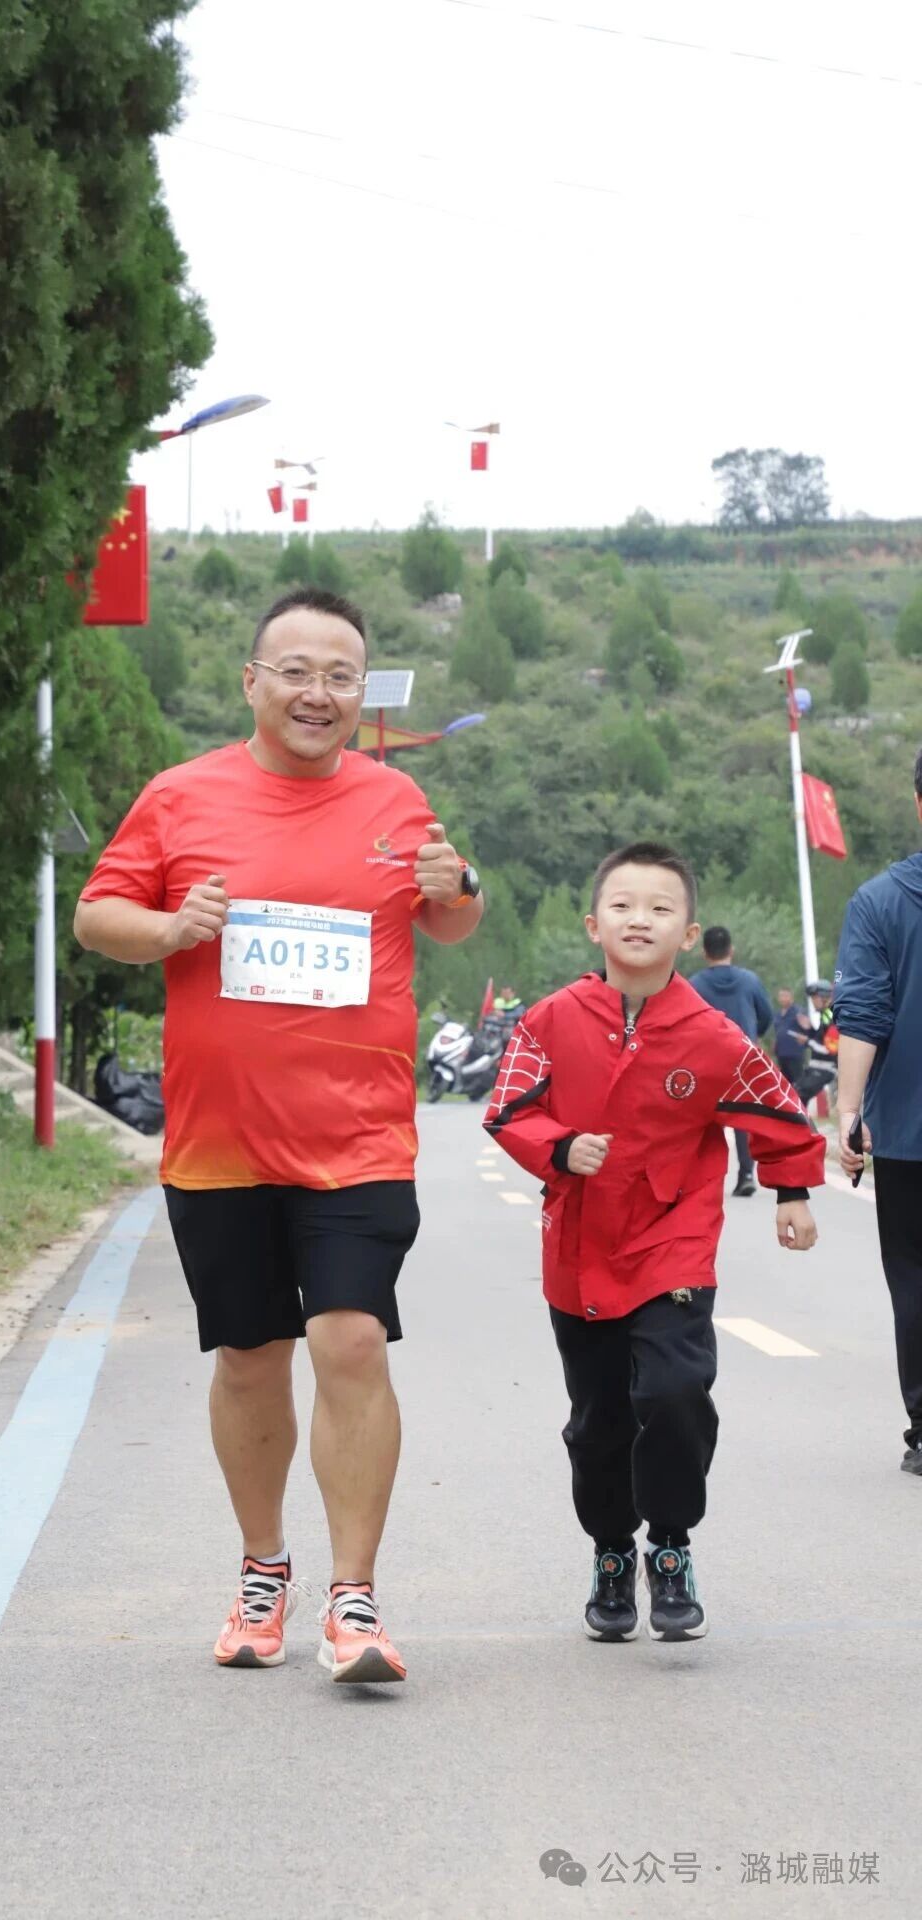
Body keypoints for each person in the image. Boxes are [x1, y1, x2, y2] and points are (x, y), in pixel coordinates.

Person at [74, 586, 484, 1684]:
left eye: (339, 676)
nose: (317, 692)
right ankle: (264, 1570)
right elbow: (97, 913)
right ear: (252, 683)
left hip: (357, 1137)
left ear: (362, 692)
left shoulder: (395, 799)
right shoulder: (180, 797)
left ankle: (353, 1603)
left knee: (349, 1337)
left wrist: (460, 884)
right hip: (220, 1142)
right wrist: (169, 927)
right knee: (250, 1357)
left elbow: (449, 913)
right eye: (294, 671)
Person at [484, 843, 824, 1643]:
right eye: (626, 905)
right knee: (598, 1420)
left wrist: (793, 1190)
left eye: (661, 908)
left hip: (673, 1243)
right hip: (579, 1249)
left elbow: (777, 1113)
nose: (641, 918)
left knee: (674, 1395)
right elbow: (506, 1107)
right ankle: (611, 1550)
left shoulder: (712, 1037)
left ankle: (669, 1542)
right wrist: (561, 1147)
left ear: (688, 933)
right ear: (593, 923)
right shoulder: (551, 1019)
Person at [834, 746, 922, 1476]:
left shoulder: (880, 902)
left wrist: (848, 1110)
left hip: (909, 1134)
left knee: (915, 1274)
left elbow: (864, 1014)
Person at [688, 926, 775, 1198]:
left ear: (705, 953)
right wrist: (753, 1034)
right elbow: (767, 1016)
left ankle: (700, 1179)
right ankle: (747, 1173)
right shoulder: (749, 981)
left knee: (702, 1118)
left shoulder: (695, 985)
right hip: (742, 1055)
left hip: (706, 1058)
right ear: (731, 950)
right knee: (742, 1116)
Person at [772, 986, 812, 1093]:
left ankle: (801, 1106)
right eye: (781, 996)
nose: (783, 998)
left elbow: (808, 1028)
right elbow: (777, 1031)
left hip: (795, 1054)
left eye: (786, 996)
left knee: (798, 1083)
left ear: (791, 997)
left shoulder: (798, 1011)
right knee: (784, 1084)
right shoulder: (778, 1014)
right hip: (781, 1054)